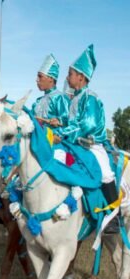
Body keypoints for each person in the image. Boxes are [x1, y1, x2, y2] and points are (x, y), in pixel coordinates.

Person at [58, 44, 119, 234]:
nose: (67, 78)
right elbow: (70, 120)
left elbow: (88, 125)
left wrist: (66, 132)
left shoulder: (91, 97)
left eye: (70, 74)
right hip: (73, 143)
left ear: (81, 77)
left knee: (105, 172)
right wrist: (58, 121)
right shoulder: (75, 98)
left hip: (91, 145)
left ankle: (113, 217)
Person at [32, 54, 69, 129]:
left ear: (51, 79)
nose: (37, 79)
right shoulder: (38, 101)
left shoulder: (60, 98)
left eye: (40, 76)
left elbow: (69, 122)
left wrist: (59, 121)